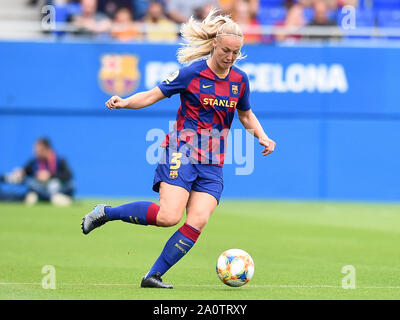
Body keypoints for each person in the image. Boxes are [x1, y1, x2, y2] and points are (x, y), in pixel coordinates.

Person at [81, 9, 276, 289]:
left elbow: (245, 115)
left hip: (213, 162)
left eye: (235, 53)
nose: (230, 58)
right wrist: (124, 102)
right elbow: (152, 94)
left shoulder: (240, 80)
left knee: (198, 220)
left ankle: (153, 276)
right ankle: (106, 213)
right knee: (168, 217)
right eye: (226, 51)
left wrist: (263, 136)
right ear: (214, 45)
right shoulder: (192, 73)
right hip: (181, 151)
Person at [0, 138, 74, 206]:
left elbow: (68, 175)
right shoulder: (34, 161)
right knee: (28, 182)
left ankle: (47, 197)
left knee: (71, 184)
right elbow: (25, 172)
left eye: (39, 150)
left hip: (57, 189)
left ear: (47, 149)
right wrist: (21, 172)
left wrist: (49, 175)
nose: (36, 152)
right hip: (40, 189)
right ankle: (52, 198)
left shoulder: (60, 160)